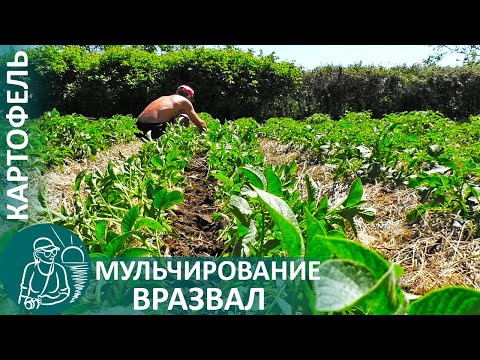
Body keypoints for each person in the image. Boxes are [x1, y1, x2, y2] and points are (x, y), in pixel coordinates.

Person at [136, 85, 208, 139]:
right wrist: (206, 134)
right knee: (184, 117)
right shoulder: (184, 101)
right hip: (153, 127)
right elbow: (200, 123)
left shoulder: (164, 97)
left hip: (139, 124)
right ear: (189, 96)